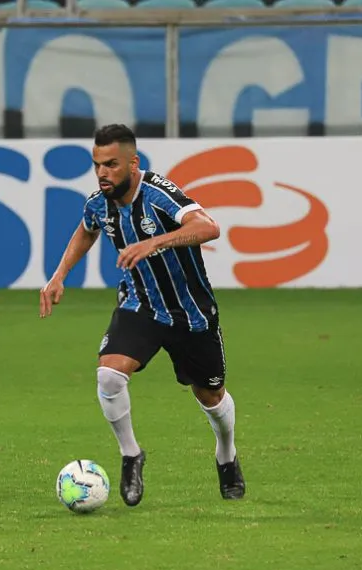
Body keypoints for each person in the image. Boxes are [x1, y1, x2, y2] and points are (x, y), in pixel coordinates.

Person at [40, 124, 245, 506]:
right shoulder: (98, 203)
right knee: (109, 373)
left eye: (111, 165)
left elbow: (209, 227)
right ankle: (131, 454)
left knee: (212, 396)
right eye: (97, 164)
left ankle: (226, 454)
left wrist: (154, 241)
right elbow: (87, 230)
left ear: (133, 164)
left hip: (191, 314)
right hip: (141, 305)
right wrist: (59, 275)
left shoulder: (157, 194)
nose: (102, 173)